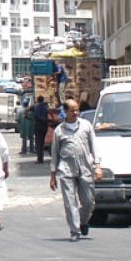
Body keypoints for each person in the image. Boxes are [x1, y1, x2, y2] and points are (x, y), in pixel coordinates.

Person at [49, 99, 102, 242]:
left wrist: (97, 166)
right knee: (69, 202)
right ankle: (74, 230)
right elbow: (55, 153)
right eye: (72, 110)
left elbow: (94, 146)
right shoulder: (60, 130)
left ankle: (83, 221)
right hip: (66, 170)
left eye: (77, 110)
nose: (75, 113)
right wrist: (53, 175)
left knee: (89, 202)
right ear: (65, 112)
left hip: (85, 168)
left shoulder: (86, 126)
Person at [33, 96, 50, 164]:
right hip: (44, 127)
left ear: (38, 100)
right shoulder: (46, 107)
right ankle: (41, 158)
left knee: (38, 143)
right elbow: (48, 114)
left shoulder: (37, 107)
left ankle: (40, 159)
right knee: (42, 142)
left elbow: (36, 116)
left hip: (38, 126)